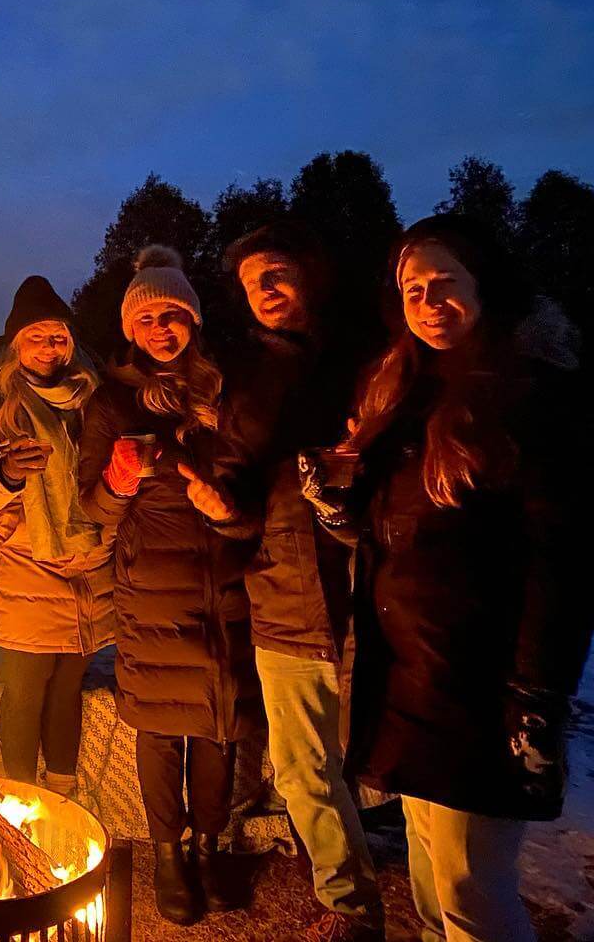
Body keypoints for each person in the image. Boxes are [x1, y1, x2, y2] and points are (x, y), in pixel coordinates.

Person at [302, 214, 592, 942]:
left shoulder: (532, 397)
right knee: (432, 864)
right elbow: (387, 527)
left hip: (480, 685)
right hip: (412, 674)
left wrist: (534, 697)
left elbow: (560, 563)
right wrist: (340, 507)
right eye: (413, 290)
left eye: (444, 284)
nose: (429, 302)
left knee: (470, 889)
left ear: (483, 287)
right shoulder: (402, 387)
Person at [77, 245, 259, 926]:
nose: (161, 327)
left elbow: (254, 486)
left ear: (193, 321)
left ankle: (212, 845)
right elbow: (92, 508)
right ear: (130, 328)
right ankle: (168, 854)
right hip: (151, 588)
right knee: (158, 731)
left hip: (221, 583)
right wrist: (120, 478)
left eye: (173, 314)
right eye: (147, 316)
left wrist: (230, 508)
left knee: (218, 726)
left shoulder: (225, 391)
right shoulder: (112, 403)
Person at [218, 223, 385, 941]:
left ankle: (446, 912)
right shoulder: (239, 378)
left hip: (374, 596)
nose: (266, 290)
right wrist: (216, 505)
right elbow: (231, 488)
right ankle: (349, 903)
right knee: (302, 768)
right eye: (253, 282)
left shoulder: (368, 361)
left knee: (392, 761)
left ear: (309, 277)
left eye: (278, 273)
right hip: (282, 593)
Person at [0, 276, 115, 798]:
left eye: (58, 337)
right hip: (22, 576)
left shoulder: (93, 402)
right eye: (36, 337)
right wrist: (5, 477)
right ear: (14, 347)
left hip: (88, 572)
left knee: (68, 689)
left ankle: (60, 800)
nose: (50, 347)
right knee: (25, 690)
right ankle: (20, 801)